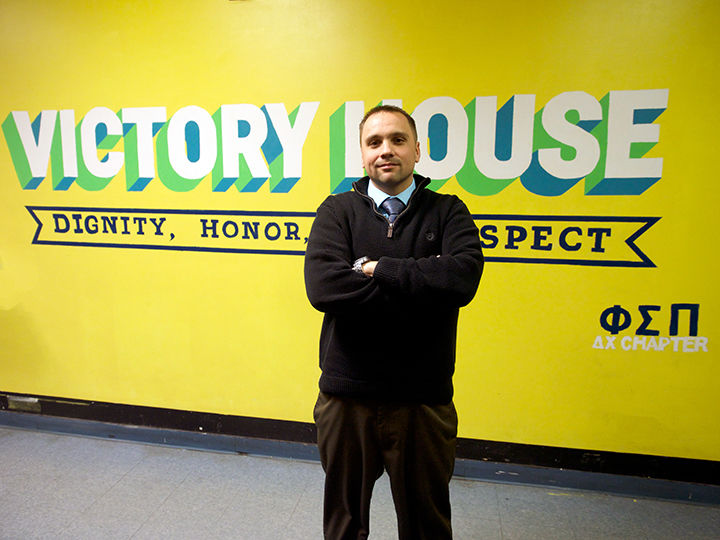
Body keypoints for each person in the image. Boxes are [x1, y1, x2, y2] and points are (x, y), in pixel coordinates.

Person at [304, 104, 483, 539]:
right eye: (375, 142)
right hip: (347, 400)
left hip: (422, 400)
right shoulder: (337, 211)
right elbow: (324, 289)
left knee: (427, 527)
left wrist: (375, 268)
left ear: (418, 150)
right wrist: (421, 286)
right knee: (343, 525)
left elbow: (459, 281)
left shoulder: (448, 212)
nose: (387, 150)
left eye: (398, 140)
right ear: (363, 154)